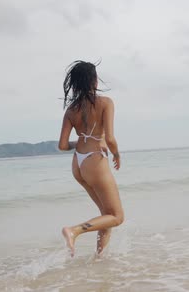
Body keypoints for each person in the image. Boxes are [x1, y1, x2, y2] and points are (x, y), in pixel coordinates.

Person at [58, 60, 124, 257]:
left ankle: (99, 259)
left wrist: (79, 145)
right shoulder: (105, 103)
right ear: (94, 81)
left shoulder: (71, 111)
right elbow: (110, 138)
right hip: (95, 162)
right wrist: (117, 154)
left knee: (106, 214)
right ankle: (74, 230)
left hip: (78, 164)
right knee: (117, 216)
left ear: (76, 84)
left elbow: (62, 146)